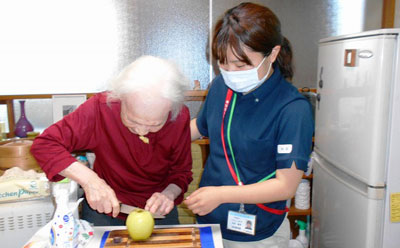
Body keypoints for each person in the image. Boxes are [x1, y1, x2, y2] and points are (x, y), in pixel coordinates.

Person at [184, 2, 314, 248]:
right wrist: (153, 136)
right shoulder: (221, 86)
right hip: (211, 221)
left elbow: (286, 186)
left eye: (241, 65)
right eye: (223, 62)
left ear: (273, 54)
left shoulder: (293, 108)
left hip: (259, 229)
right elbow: (199, 127)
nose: (230, 71)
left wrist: (221, 194)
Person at [31, 55, 193, 226]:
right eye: (133, 121)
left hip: (158, 213)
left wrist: (168, 195)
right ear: (120, 98)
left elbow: (181, 172)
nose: (141, 131)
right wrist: (90, 180)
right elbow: (45, 144)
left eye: (154, 125)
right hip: (103, 209)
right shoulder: (101, 109)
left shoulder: (179, 117)